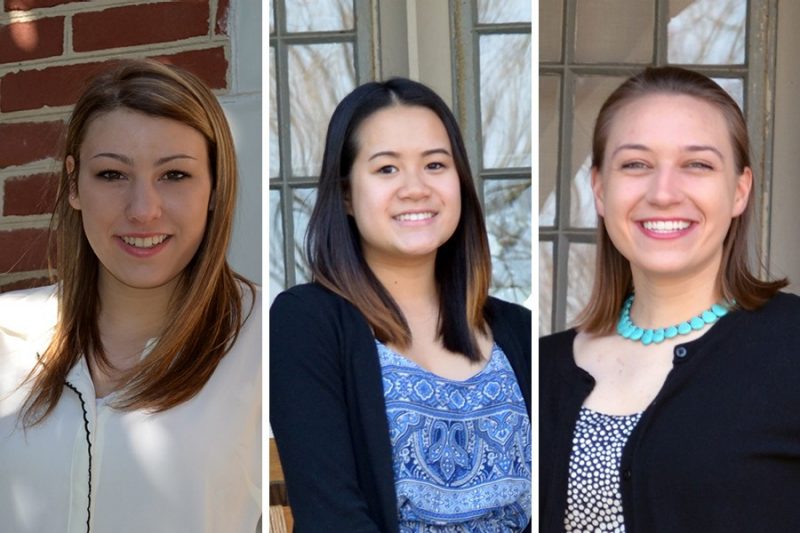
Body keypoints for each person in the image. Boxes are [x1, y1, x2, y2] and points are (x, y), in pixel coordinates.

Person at [0, 59, 261, 532]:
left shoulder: (266, 337)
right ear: (74, 184)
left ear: (214, 188)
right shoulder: (6, 332)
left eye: (175, 175)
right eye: (112, 175)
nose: (143, 210)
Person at [540, 66, 800, 532]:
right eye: (636, 164)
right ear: (600, 189)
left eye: (697, 164)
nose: (663, 193)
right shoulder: (539, 369)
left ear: (739, 190)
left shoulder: (793, 347)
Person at [270, 78, 532, 532]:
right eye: (387, 169)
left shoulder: (520, 331)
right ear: (347, 194)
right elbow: (333, 519)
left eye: (435, 164)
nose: (416, 188)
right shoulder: (306, 324)